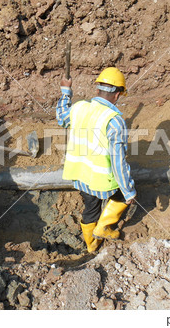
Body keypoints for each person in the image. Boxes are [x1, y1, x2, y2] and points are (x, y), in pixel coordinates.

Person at [56, 67, 136, 253]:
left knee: (91, 209)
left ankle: (92, 246)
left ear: (97, 89)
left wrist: (65, 92)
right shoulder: (115, 121)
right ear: (117, 95)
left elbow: (61, 118)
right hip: (101, 180)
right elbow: (118, 162)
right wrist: (128, 190)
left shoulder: (79, 107)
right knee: (123, 195)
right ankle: (103, 227)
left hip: (80, 174)